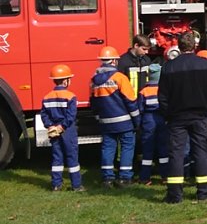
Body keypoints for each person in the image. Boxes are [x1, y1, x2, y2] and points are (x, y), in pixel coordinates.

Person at [158, 32, 207, 203]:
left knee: (176, 153)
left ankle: (174, 195)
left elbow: (162, 97)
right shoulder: (206, 65)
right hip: (200, 115)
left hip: (176, 117)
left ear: (178, 47)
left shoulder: (168, 67)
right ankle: (204, 191)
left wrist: (167, 115)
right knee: (201, 152)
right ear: (195, 46)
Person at [91, 46, 140, 188]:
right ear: (113, 61)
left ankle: (107, 178)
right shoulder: (120, 78)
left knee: (108, 148)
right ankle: (125, 177)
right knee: (127, 147)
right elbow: (131, 101)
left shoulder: (94, 80)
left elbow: (93, 102)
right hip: (124, 121)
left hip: (105, 121)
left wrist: (98, 118)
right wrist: (137, 121)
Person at [41, 64, 84, 192]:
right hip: (67, 130)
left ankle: (56, 185)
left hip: (54, 130)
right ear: (65, 81)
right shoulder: (70, 96)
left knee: (57, 157)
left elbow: (44, 115)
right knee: (72, 157)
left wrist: (50, 126)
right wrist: (62, 126)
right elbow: (71, 116)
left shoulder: (47, 97)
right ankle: (76, 185)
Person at [137, 63, 169, 185]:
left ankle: (145, 177)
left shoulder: (144, 91)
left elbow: (140, 108)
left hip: (148, 119)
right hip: (162, 118)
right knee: (163, 148)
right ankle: (165, 176)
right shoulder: (164, 90)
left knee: (147, 148)